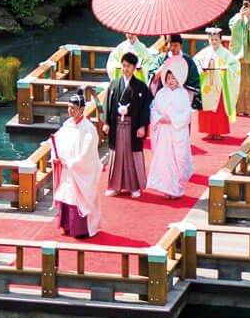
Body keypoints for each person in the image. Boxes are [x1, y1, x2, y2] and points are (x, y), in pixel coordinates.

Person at [48, 95, 105, 240]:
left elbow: (88, 152)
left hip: (78, 170)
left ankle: (80, 229)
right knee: (67, 196)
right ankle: (67, 225)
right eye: (69, 107)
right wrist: (56, 155)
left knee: (78, 197)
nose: (70, 111)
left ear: (82, 109)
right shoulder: (68, 124)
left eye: (74, 108)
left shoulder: (88, 129)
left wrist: (73, 163)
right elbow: (58, 139)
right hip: (67, 169)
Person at [104, 53, 154, 197]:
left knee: (133, 155)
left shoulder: (140, 87)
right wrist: (106, 122)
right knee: (117, 155)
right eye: (124, 65)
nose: (125, 69)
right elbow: (107, 104)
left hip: (133, 126)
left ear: (134, 68)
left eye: (129, 66)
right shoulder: (114, 84)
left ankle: (134, 187)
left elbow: (145, 108)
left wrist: (142, 126)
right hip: (117, 125)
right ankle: (116, 186)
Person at [145, 70, 196, 198]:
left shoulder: (183, 94)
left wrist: (172, 120)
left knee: (176, 159)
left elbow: (187, 113)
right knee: (164, 160)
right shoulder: (161, 93)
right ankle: (167, 189)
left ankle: (176, 189)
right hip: (163, 131)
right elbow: (154, 109)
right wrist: (159, 119)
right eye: (168, 78)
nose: (171, 81)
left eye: (173, 78)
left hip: (176, 131)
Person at [195, 25, 239, 139]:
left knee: (219, 109)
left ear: (220, 40)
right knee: (207, 108)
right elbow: (195, 63)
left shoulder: (225, 53)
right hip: (207, 85)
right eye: (212, 39)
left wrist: (226, 69)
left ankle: (218, 132)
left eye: (216, 40)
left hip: (220, 84)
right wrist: (201, 69)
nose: (214, 42)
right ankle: (209, 131)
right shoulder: (204, 52)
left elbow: (235, 65)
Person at [153, 34, 202, 117]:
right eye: (170, 45)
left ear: (180, 45)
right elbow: (153, 78)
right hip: (165, 98)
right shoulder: (162, 58)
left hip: (182, 98)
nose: (173, 48)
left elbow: (194, 83)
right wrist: (162, 68)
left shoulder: (187, 60)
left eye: (175, 45)